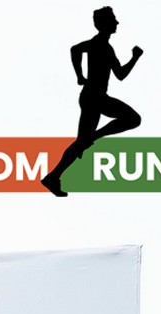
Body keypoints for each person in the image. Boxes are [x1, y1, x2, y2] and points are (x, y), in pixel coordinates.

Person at [45, 9, 143, 192]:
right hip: (94, 97)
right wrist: (79, 75)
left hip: (95, 97)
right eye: (113, 20)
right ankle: (93, 137)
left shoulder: (105, 47)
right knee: (133, 119)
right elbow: (75, 49)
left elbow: (119, 74)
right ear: (104, 24)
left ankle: (53, 177)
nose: (117, 23)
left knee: (81, 142)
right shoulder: (98, 44)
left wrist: (134, 58)